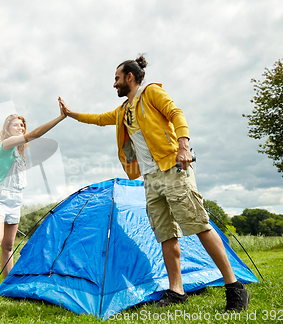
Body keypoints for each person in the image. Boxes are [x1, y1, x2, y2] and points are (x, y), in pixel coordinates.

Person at [58, 55, 250, 312]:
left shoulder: (151, 93)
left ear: (130, 77)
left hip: (172, 168)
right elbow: (99, 118)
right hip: (150, 178)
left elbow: (176, 113)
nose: (114, 84)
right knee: (165, 234)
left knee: (199, 225)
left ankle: (234, 287)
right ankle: (177, 290)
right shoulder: (124, 110)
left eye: (117, 78)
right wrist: (70, 114)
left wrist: (183, 146)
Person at [0, 104, 66, 305]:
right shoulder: (7, 144)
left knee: (8, 246)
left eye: (22, 125)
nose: (20, 127)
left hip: (15, 201)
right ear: (7, 129)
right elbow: (36, 134)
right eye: (15, 124)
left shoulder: (20, 154)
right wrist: (60, 117)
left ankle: (9, 289)